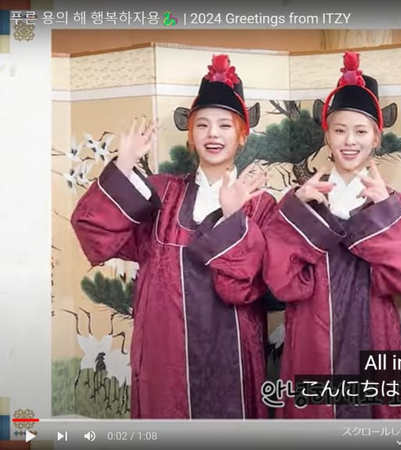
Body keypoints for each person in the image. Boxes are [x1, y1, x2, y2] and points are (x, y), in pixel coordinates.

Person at [71, 54, 273, 419]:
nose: (213, 134)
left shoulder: (260, 204)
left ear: (242, 135)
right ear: (191, 136)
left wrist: (233, 216)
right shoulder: (161, 193)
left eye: (225, 125)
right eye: (202, 125)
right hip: (165, 354)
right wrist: (124, 164)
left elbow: (256, 286)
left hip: (233, 356)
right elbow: (95, 231)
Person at [261, 51, 401, 419]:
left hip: (375, 333)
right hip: (311, 335)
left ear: (376, 138)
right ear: (327, 136)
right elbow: (281, 283)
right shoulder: (302, 199)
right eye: (340, 130)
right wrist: (297, 213)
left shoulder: (394, 202)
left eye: (361, 131)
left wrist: (384, 211)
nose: (350, 141)